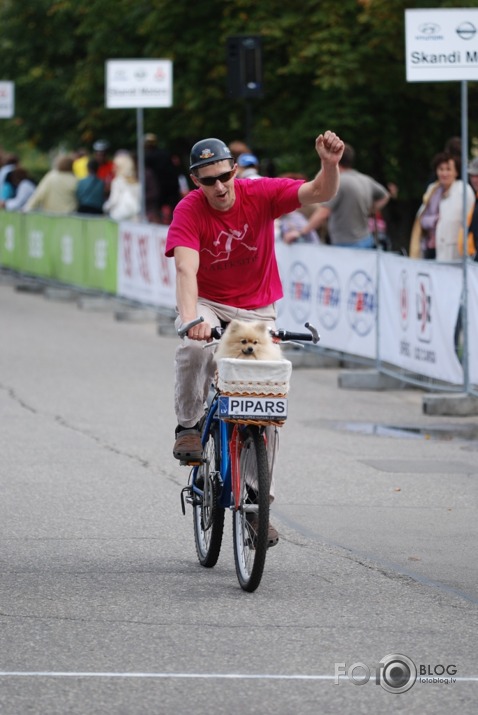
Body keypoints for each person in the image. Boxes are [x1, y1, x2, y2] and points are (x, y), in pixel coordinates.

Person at [164, 131, 345, 543]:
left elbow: (319, 191)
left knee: (264, 403)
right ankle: (188, 426)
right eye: (209, 180)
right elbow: (186, 271)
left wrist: (330, 165)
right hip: (209, 302)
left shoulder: (259, 194)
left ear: (235, 170)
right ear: (196, 181)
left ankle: (255, 502)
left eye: (225, 176)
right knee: (194, 347)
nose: (220, 187)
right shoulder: (190, 210)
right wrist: (192, 319)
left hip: (257, 310)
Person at [296, 143, 390, 248]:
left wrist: (301, 233)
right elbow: (385, 196)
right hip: (366, 239)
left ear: (336, 159)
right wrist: (371, 209)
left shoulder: (338, 182)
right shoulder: (365, 179)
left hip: (346, 243)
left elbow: (323, 213)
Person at [409, 152, 475, 261]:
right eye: (441, 169)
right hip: (431, 248)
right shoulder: (432, 190)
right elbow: (422, 219)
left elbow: (469, 221)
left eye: (448, 169)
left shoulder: (463, 190)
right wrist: (434, 221)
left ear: (456, 172)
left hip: (454, 251)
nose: (444, 173)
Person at [103, 151, 141, 222]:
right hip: (135, 219)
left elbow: (113, 201)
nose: (113, 168)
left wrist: (104, 207)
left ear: (121, 167)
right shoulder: (136, 181)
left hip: (120, 219)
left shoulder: (117, 181)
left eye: (115, 166)